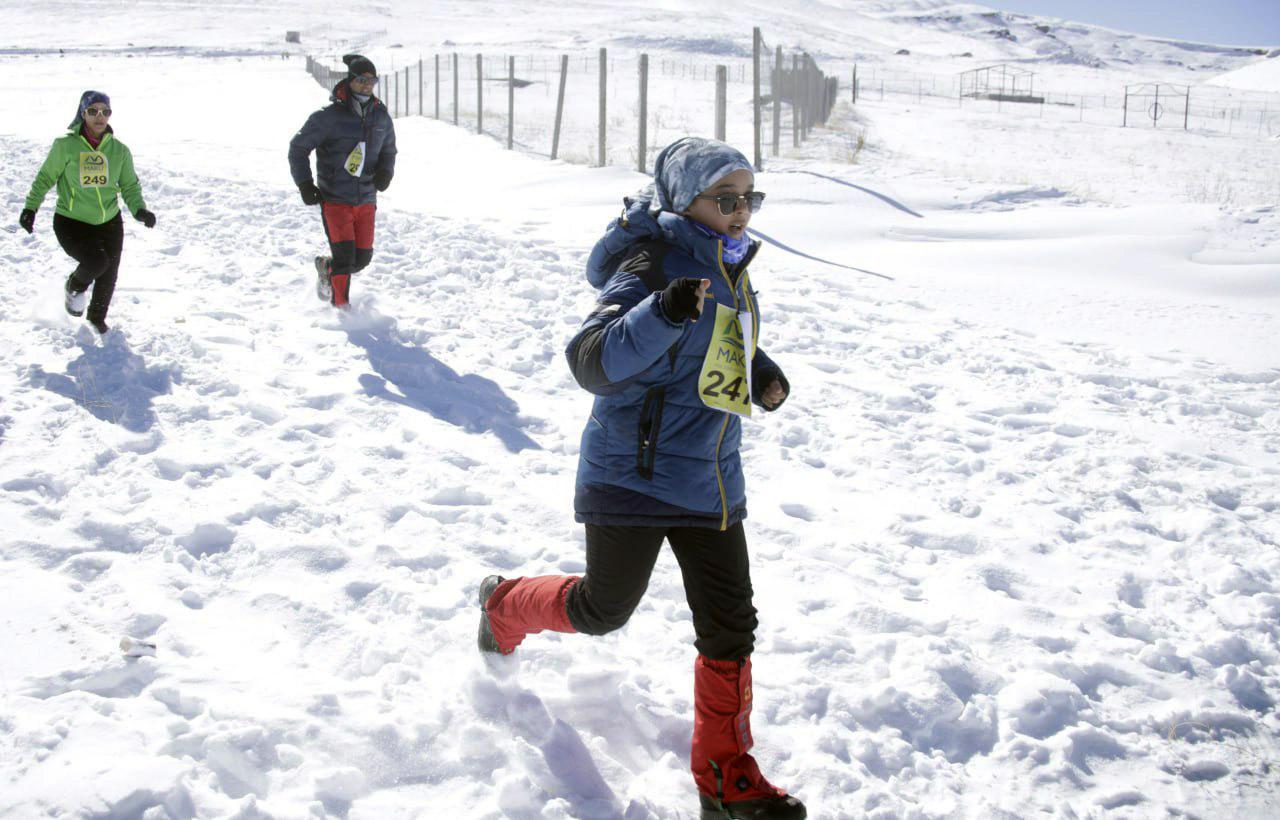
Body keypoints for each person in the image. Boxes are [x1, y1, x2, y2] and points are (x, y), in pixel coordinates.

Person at [477, 138, 803, 820]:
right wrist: (662, 310)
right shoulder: (649, 262)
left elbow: (718, 334)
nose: (742, 213)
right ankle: (505, 604)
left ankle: (726, 779)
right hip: (635, 473)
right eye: (727, 199)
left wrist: (760, 370)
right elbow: (591, 359)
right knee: (604, 608)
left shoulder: (726, 261)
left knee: (731, 626)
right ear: (686, 199)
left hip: (711, 475)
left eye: (750, 199)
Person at [20, 90, 156, 334]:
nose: (99, 116)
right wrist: (31, 207)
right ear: (83, 114)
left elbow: (129, 186)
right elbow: (46, 178)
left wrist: (140, 210)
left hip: (109, 221)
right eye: (93, 111)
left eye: (105, 111)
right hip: (72, 222)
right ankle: (74, 286)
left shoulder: (119, 151)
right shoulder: (65, 146)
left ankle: (96, 318)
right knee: (96, 261)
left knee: (109, 272)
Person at [288, 53, 396, 309]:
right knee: (345, 260)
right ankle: (342, 312)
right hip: (336, 198)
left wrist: (385, 171)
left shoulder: (381, 116)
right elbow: (298, 148)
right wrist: (305, 184)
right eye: (361, 79)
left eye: (372, 80)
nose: (367, 84)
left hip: (367, 198)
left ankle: (326, 267)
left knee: (361, 260)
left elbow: (389, 150)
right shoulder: (327, 117)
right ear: (349, 81)